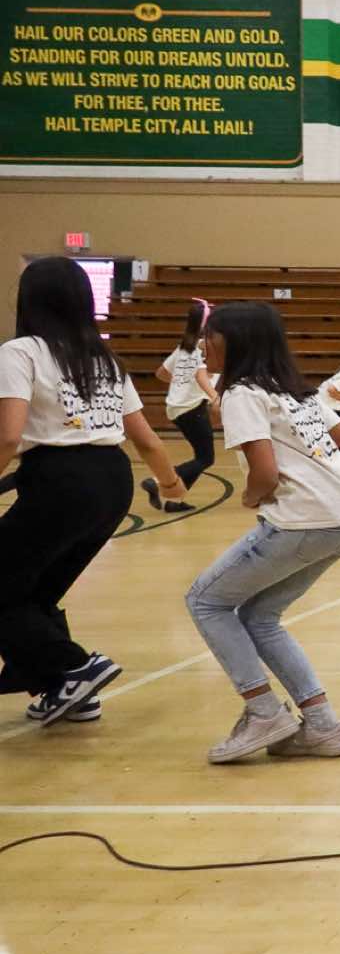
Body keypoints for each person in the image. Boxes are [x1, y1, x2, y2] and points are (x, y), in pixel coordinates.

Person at [186, 302, 340, 763]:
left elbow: (264, 474)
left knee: (205, 601)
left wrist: (250, 498)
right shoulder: (298, 392)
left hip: (304, 522)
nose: (202, 343)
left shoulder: (242, 394)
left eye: (210, 335)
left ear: (235, 342)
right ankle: (321, 727)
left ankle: (263, 712)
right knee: (260, 617)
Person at [0, 257, 186, 726]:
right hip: (113, 481)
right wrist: (170, 483)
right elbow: (146, 438)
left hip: (61, 481)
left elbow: (8, 436)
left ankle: (74, 667)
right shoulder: (103, 359)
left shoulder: (20, 352)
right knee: (34, 590)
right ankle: (70, 692)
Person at [145, 297, 219, 512]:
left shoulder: (185, 348)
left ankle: (174, 500)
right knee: (205, 458)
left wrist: (181, 383)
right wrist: (215, 397)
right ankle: (158, 481)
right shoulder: (206, 347)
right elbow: (201, 375)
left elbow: (161, 373)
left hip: (176, 408)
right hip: (192, 408)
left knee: (202, 457)